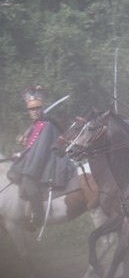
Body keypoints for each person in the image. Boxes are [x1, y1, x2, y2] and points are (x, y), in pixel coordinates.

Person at [7, 86, 76, 230]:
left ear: (41, 108)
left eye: (37, 108)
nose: (35, 111)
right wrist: (23, 144)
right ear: (28, 111)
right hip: (35, 158)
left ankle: (37, 215)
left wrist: (21, 155)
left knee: (28, 179)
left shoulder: (47, 125)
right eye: (32, 109)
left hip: (48, 160)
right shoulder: (37, 125)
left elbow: (41, 150)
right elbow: (32, 146)